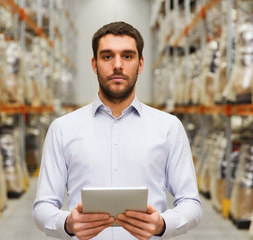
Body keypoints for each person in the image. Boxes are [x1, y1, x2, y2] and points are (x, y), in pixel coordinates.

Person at [33, 21, 202, 240]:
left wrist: (162, 224)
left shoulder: (169, 127)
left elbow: (191, 202)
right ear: (94, 65)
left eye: (128, 56)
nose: (118, 65)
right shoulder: (62, 129)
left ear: (140, 64)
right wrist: (67, 223)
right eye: (107, 56)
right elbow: (43, 206)